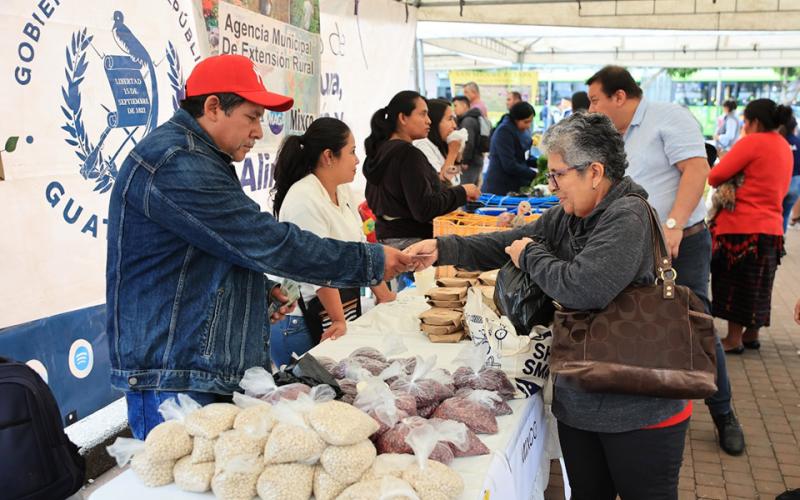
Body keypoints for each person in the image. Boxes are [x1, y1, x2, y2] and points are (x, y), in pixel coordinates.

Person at [106, 54, 412, 439]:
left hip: (196, 368)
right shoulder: (176, 161)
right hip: (176, 376)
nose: (258, 131)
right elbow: (266, 242)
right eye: (252, 117)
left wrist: (259, 293)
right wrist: (369, 262)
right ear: (213, 107)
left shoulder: (200, 157)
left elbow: (213, 250)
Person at [405, 113, 691, 500]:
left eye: (558, 175)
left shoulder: (629, 216)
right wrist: (443, 248)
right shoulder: (571, 216)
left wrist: (531, 256)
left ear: (594, 172)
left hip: (638, 409)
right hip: (583, 398)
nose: (552, 186)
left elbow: (582, 288)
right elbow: (509, 241)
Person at [587, 64, 745, 456]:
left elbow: (696, 170)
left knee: (696, 327)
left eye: (595, 100)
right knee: (640, 323)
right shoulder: (613, 136)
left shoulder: (668, 117)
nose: (591, 109)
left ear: (619, 96)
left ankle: (724, 413)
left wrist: (672, 224)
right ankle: (652, 409)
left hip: (681, 244)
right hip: (635, 246)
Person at [269, 117, 397, 367]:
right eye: (351, 151)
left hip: (337, 309)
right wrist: (339, 320)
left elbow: (361, 248)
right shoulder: (303, 199)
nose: (357, 160)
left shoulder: (341, 190)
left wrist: (384, 295)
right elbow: (316, 268)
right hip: (301, 322)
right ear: (329, 156)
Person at [708, 99, 793, 353]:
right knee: (759, 284)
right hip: (772, 227)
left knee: (735, 282)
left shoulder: (752, 142)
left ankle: (733, 339)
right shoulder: (784, 146)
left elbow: (715, 176)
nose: (744, 125)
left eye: (745, 121)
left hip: (741, 226)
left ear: (755, 122)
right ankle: (751, 335)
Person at [363, 90, 480, 253]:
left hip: (389, 240)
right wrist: (462, 192)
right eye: (423, 114)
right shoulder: (408, 154)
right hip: (411, 244)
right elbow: (424, 209)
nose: (428, 121)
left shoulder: (382, 150)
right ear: (403, 118)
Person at [483, 101, 536, 195]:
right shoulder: (504, 132)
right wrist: (534, 175)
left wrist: (540, 163)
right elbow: (509, 164)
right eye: (526, 122)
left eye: (530, 122)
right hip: (500, 187)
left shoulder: (522, 131)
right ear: (516, 119)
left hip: (516, 184)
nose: (528, 126)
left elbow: (525, 156)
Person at [412, 99, 463, 185]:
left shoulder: (441, 144)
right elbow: (442, 183)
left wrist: (457, 159)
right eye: (450, 119)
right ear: (435, 121)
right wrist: (452, 154)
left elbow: (455, 181)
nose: (454, 125)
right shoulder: (422, 145)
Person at [453, 95, 484, 185]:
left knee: (465, 188)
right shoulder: (474, 118)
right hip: (476, 159)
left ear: (464, 105)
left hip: (470, 162)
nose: (454, 109)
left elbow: (468, 142)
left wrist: (465, 161)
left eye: (456, 106)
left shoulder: (468, 121)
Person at [780, 115, 800, 233]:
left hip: (781, 182)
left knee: (775, 214)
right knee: (785, 214)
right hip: (796, 182)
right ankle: (781, 238)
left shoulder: (779, 142)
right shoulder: (798, 142)